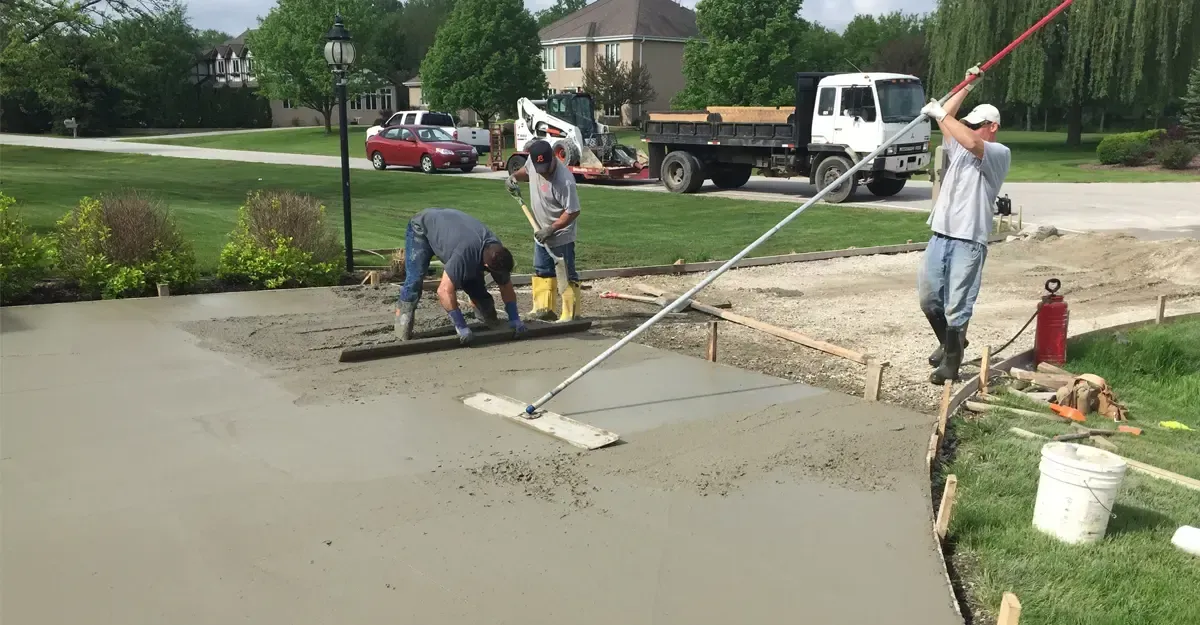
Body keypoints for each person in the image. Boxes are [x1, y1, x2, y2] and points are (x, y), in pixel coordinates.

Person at [918, 68, 1011, 385]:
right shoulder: (957, 147)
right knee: (929, 300)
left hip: (968, 241)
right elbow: (952, 124)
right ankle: (950, 343)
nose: (968, 128)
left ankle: (951, 366)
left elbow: (968, 139)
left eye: (977, 125)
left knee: (958, 306)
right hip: (940, 233)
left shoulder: (997, 153)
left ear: (992, 127)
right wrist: (969, 85)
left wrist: (941, 112)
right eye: (968, 123)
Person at [394, 208, 526, 344]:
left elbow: (505, 285)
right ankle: (402, 323)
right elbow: (444, 290)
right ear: (486, 265)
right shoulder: (464, 255)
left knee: (473, 279)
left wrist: (514, 317)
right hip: (422, 227)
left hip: (453, 228)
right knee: (415, 279)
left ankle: (489, 319)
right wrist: (460, 325)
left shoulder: (496, 250)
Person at [505, 139, 582, 322]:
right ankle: (543, 309)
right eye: (539, 168)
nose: (542, 172)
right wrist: (514, 177)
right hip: (538, 230)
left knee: (566, 274)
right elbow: (527, 172)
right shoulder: (535, 161)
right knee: (541, 270)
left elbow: (573, 211)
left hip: (561, 235)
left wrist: (551, 229)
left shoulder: (565, 181)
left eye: (546, 168)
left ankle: (570, 314)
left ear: (553, 159)